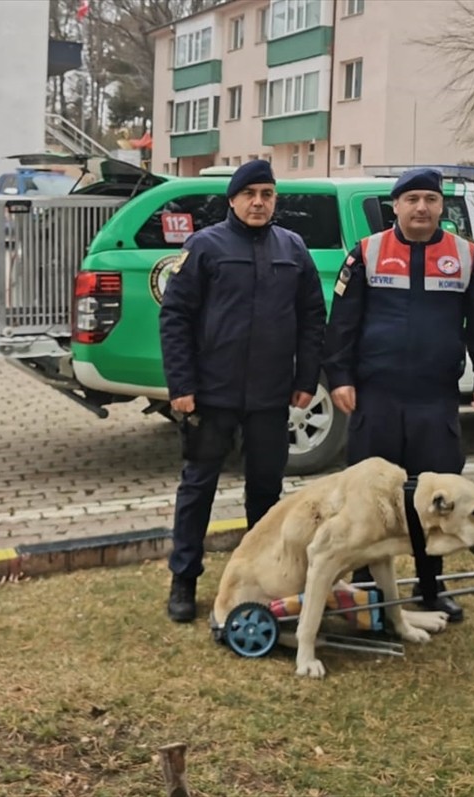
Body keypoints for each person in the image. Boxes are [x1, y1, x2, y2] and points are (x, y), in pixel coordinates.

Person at [322, 167, 474, 622]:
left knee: (438, 499)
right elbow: (342, 321)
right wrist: (340, 376)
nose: (421, 208)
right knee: (371, 497)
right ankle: (367, 589)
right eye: (412, 200)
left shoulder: (466, 257)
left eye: (430, 199)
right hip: (376, 397)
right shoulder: (366, 253)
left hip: (434, 400)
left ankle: (431, 587)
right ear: (396, 206)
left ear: (441, 206)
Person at [159, 159, 327, 623]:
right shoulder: (205, 246)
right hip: (212, 396)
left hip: (271, 397)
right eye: (249, 193)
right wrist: (182, 385)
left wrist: (304, 380)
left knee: (266, 493)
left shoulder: (292, 248)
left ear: (275, 200)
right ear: (232, 199)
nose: (258, 202)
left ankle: (262, 577)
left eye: (267, 194)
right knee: (198, 488)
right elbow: (175, 317)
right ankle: (184, 579)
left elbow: (313, 318)